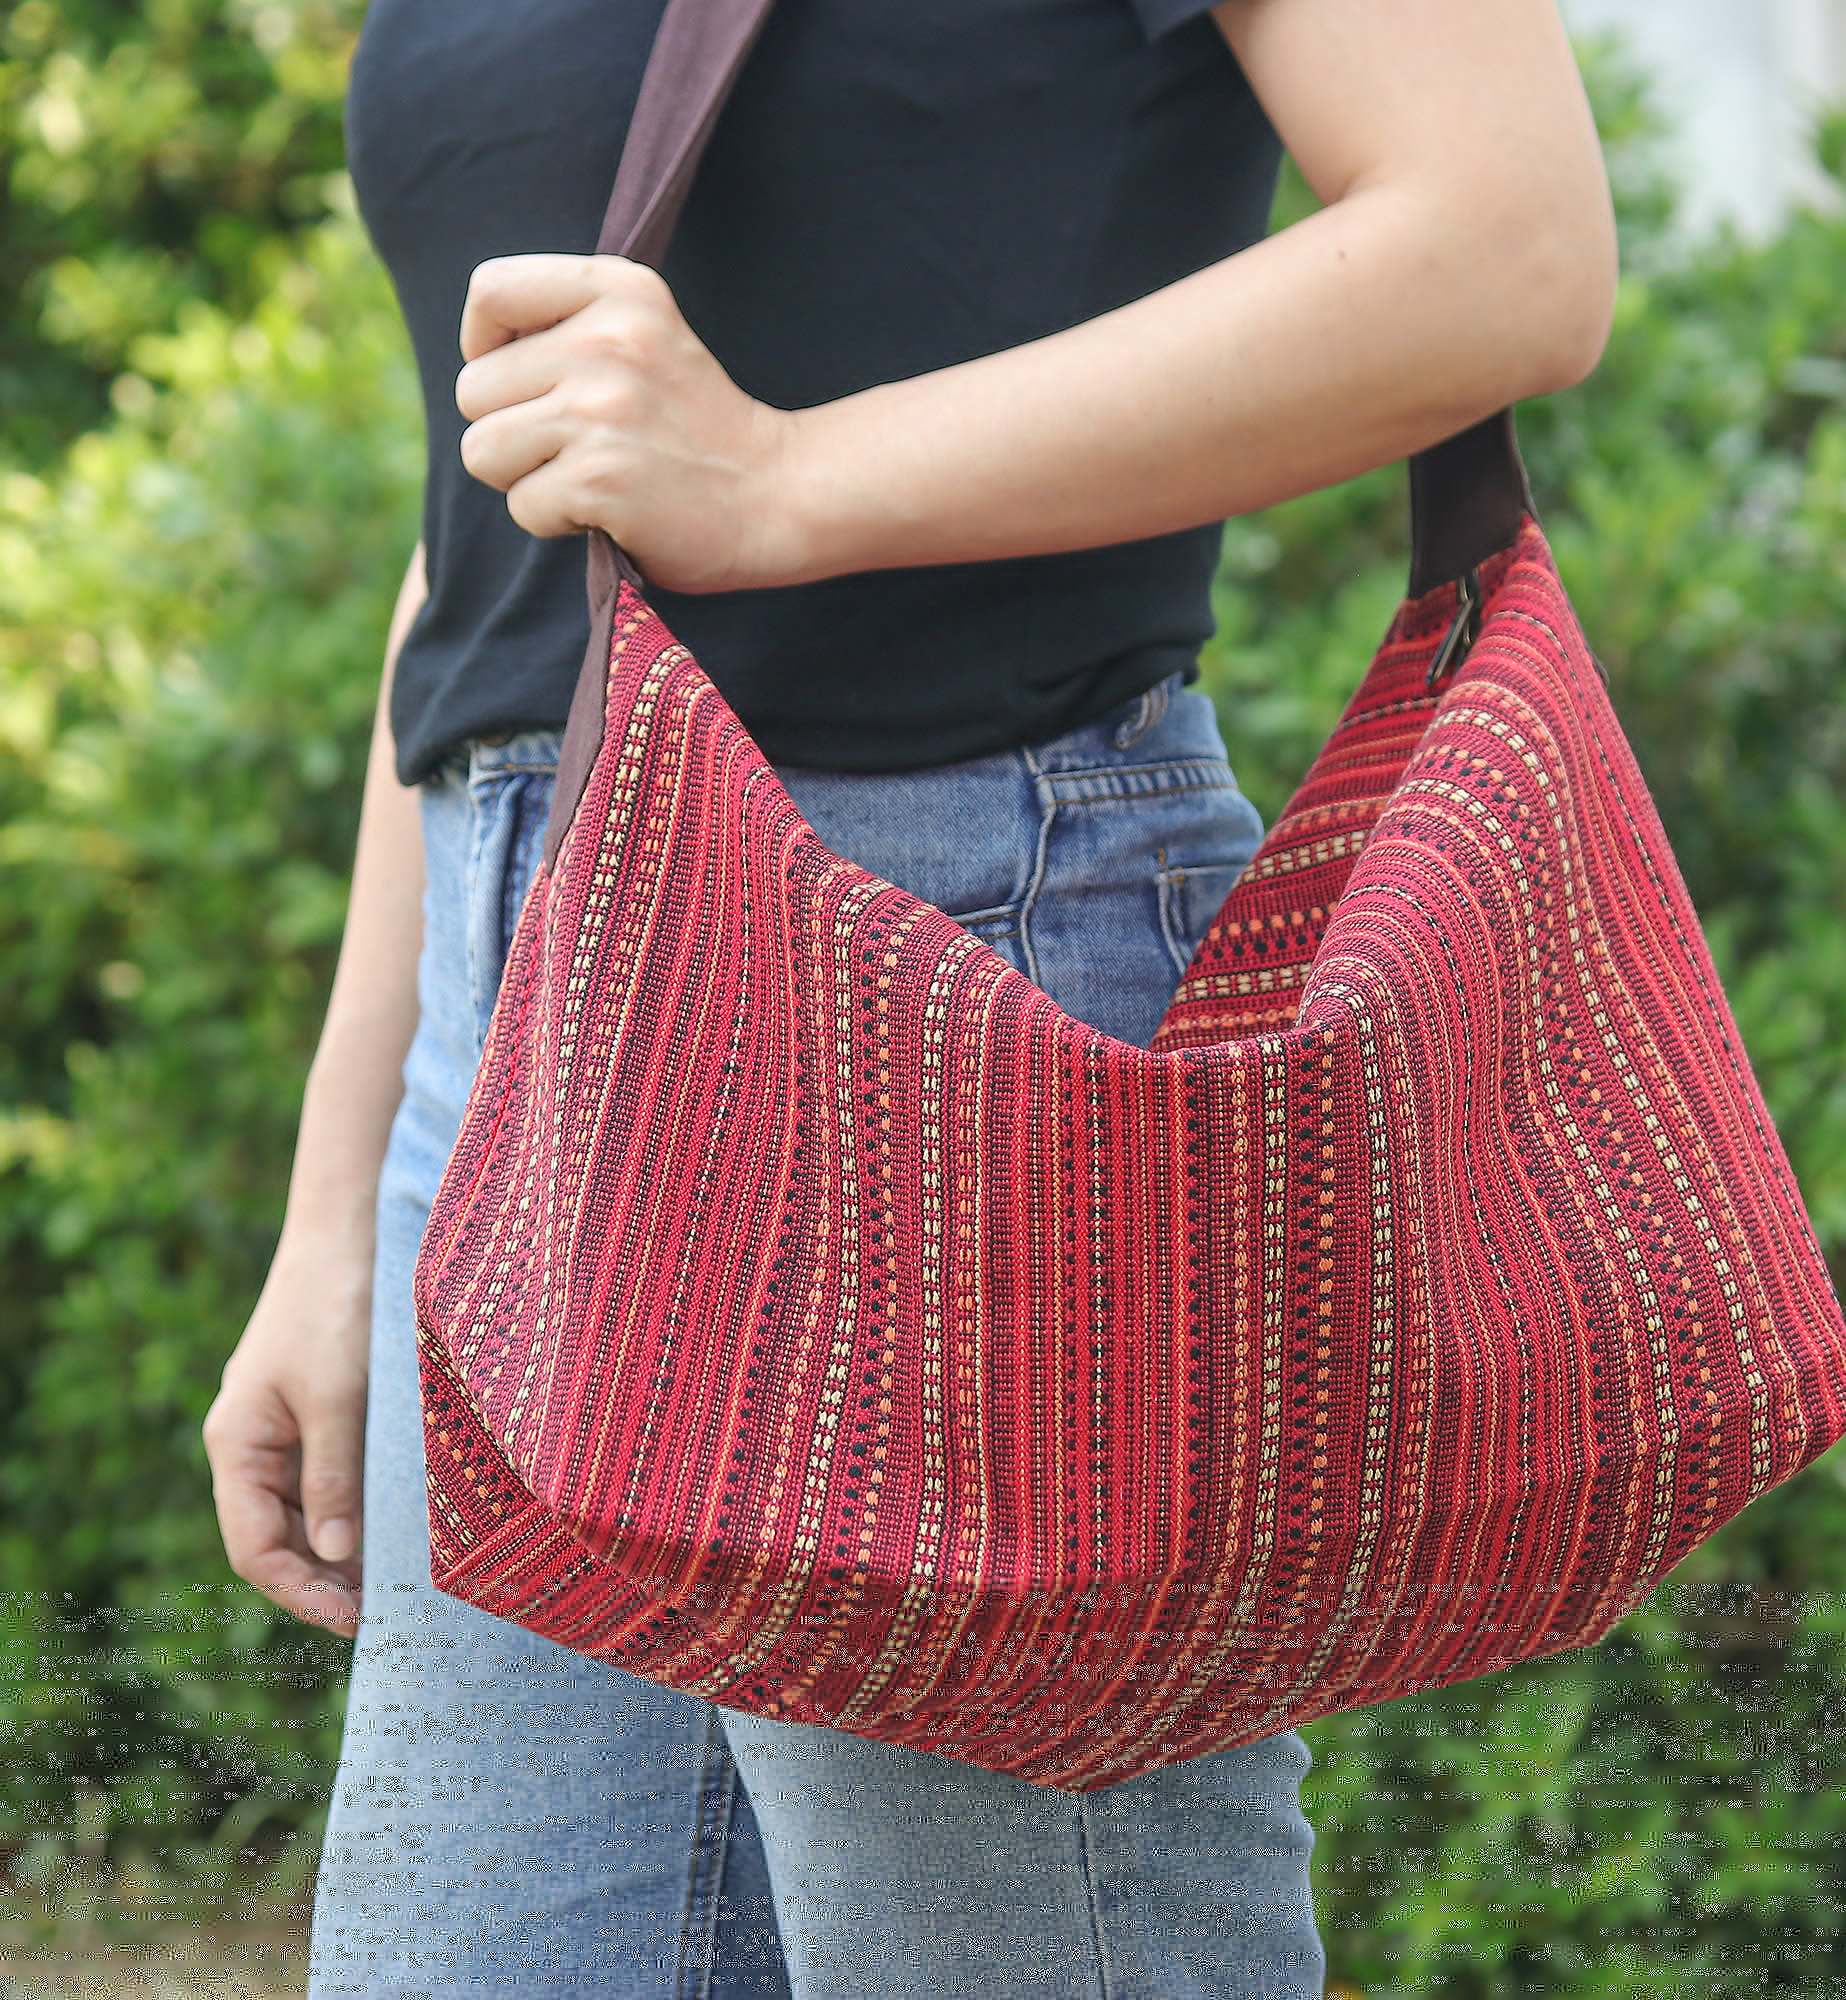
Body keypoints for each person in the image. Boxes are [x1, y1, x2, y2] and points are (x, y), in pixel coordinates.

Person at [202, 0, 1616, 1993]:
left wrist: (781, 482)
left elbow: (1510, 247)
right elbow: (500, 536)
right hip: (515, 1036)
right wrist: (340, 1204)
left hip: (947, 998)